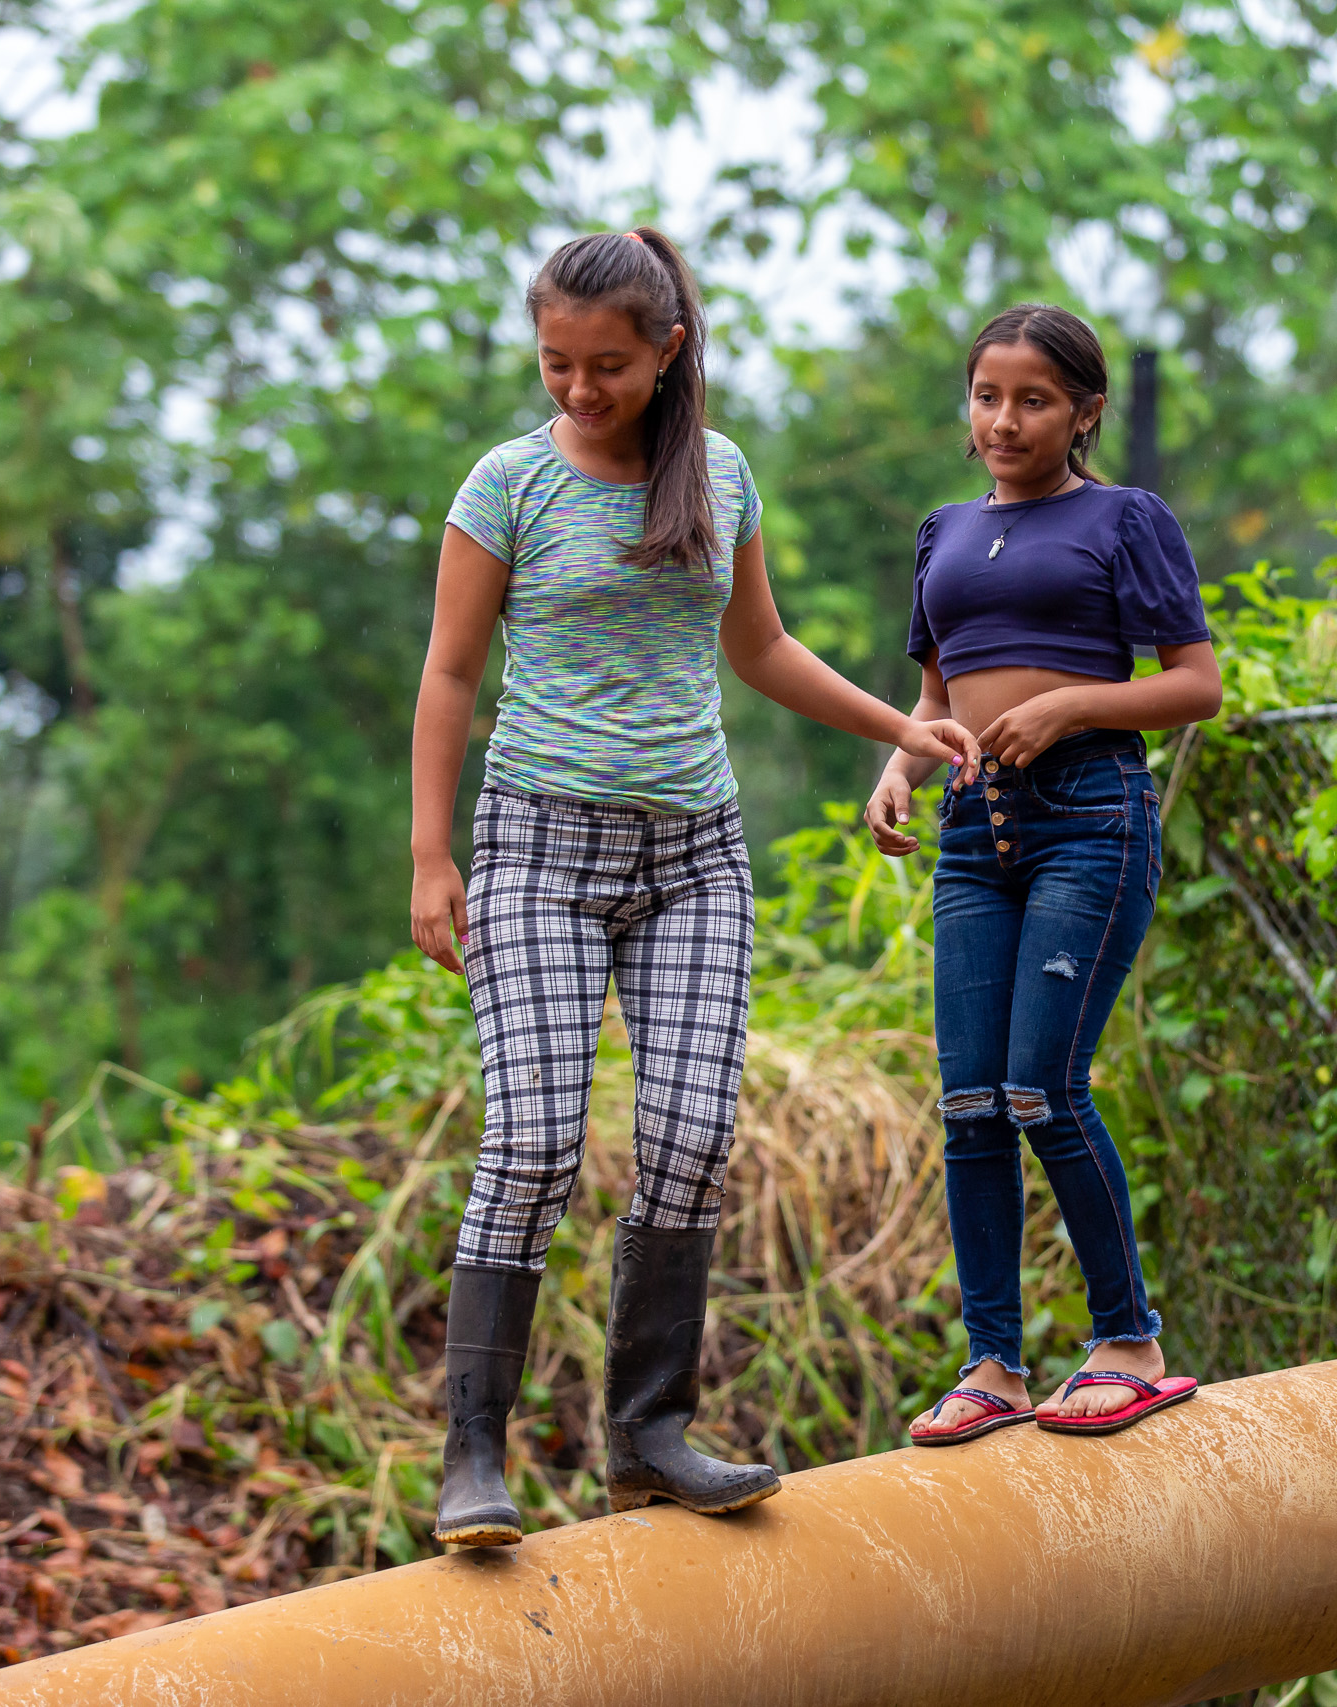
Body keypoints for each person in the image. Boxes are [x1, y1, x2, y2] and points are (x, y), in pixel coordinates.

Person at [410, 227, 979, 1546]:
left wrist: (899, 728)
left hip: (694, 856)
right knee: (537, 1139)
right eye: (557, 363)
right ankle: (474, 1458)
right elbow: (448, 673)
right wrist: (432, 854)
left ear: (669, 351)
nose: (579, 389)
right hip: (538, 847)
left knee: (687, 1141)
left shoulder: (718, 474)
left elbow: (763, 647)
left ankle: (649, 1432)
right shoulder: (505, 485)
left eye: (607, 365)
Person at [862, 305, 1223, 1443]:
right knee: (969, 1103)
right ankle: (993, 1365)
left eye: (1032, 399)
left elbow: (1195, 686)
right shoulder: (944, 534)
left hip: (1089, 817)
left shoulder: (1125, 519)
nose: (1004, 419)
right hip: (976, 830)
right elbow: (932, 700)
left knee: (1041, 1088)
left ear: (1084, 412)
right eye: (986, 396)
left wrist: (1072, 702)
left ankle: (1129, 1340)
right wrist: (898, 769)